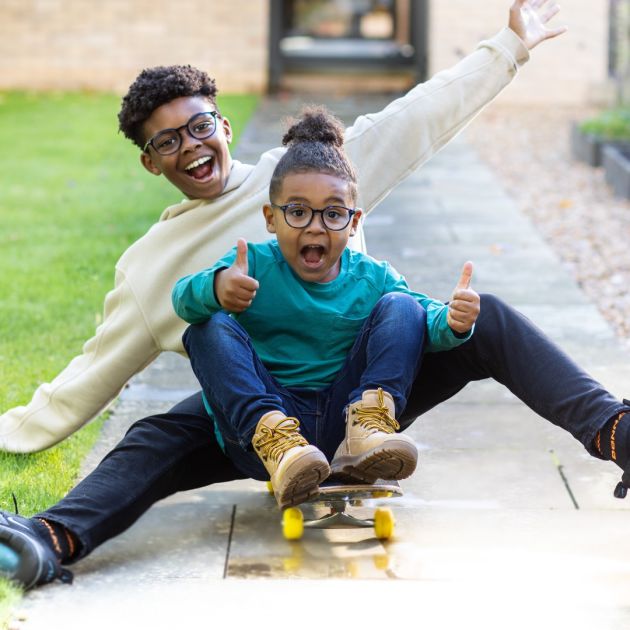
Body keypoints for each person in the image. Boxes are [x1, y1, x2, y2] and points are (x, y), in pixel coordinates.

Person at [3, 1, 622, 592]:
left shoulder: (310, 170)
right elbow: (91, 372)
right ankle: (47, 538)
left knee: (484, 317)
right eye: (168, 141)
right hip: (259, 420)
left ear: (221, 122)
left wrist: (509, 46)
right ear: (150, 161)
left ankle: (615, 431)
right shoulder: (149, 268)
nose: (190, 145)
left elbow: (416, 119)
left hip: (363, 404)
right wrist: (17, 431)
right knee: (158, 430)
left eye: (198, 126)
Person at [172, 107, 480, 508]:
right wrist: (217, 288)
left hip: (343, 420)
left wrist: (454, 321)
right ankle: (281, 446)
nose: (315, 227)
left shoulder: (372, 276)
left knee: (403, 306)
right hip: (263, 433)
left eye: (333, 214)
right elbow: (181, 298)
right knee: (206, 327)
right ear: (270, 218)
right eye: (298, 212)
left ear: (354, 224)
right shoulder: (252, 265)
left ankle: (369, 430)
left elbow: (426, 318)